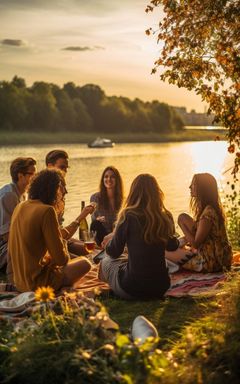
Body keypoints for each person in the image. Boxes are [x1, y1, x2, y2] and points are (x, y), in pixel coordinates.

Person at [8, 169, 92, 292]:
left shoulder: (20, 206)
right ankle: (62, 287)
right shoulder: (47, 211)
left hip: (19, 282)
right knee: (85, 263)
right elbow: (62, 260)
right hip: (37, 284)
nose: (63, 194)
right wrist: (62, 242)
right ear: (56, 189)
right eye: (62, 189)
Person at [98, 174, 179, 300]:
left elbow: (114, 252)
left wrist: (109, 243)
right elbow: (172, 246)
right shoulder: (165, 216)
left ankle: (107, 291)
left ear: (133, 193)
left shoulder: (128, 216)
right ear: (157, 192)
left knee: (105, 261)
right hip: (160, 288)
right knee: (127, 260)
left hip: (133, 289)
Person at [165, 173, 232, 272]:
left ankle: (174, 263)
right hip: (217, 258)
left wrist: (182, 226)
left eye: (193, 185)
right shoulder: (209, 209)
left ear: (202, 189)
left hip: (211, 262)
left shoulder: (208, 214)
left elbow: (195, 244)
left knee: (163, 252)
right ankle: (177, 244)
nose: (190, 187)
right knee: (183, 217)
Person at [45, 149, 90, 257]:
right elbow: (55, 237)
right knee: (88, 259)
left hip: (62, 238)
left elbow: (60, 229)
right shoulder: (45, 193)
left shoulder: (60, 186)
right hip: (49, 247)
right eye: (62, 167)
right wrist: (82, 216)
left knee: (95, 249)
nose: (65, 171)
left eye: (66, 168)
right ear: (50, 166)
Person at [0, 157, 36, 276]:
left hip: (13, 242)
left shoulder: (23, 194)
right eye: (32, 174)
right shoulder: (9, 195)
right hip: (4, 247)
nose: (35, 178)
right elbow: (7, 236)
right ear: (20, 176)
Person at [90, 166, 124, 246]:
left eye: (112, 177)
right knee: (95, 223)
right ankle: (101, 248)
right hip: (103, 235)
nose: (109, 179)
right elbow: (94, 220)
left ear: (117, 180)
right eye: (106, 177)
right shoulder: (95, 198)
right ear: (103, 180)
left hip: (118, 235)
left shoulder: (123, 200)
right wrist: (98, 219)